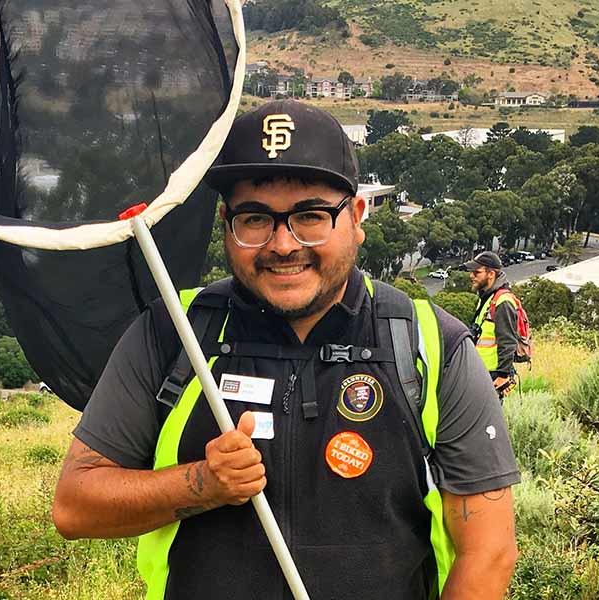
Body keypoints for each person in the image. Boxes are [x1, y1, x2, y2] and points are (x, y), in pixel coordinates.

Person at [52, 100, 519, 599]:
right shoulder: (172, 333)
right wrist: (202, 484)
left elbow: (487, 552)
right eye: (255, 219)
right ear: (226, 223)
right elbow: (76, 506)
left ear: (356, 216)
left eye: (311, 216)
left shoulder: (430, 345)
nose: (282, 244)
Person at [464, 251, 526, 398]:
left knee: (487, 419)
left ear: (491, 274)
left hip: (493, 374)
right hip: (481, 370)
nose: (471, 276)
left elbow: (507, 341)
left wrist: (503, 375)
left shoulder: (503, 301)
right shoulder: (487, 297)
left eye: (476, 272)